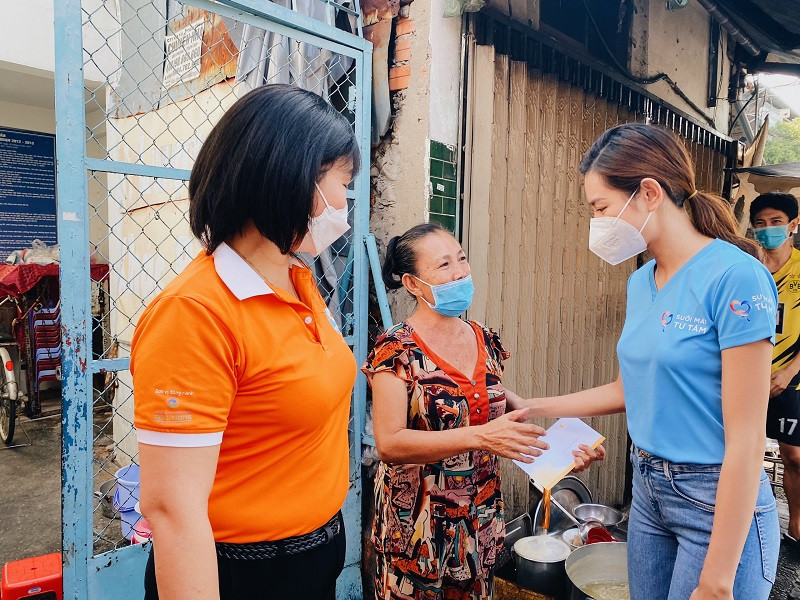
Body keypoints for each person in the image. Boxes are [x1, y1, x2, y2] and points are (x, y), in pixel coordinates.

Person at [507, 123, 780, 599]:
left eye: (601, 208)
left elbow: (747, 439)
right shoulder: (642, 282)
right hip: (650, 488)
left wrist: (716, 582)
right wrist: (534, 405)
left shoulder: (737, 278)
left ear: (649, 193)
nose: (597, 223)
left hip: (715, 496)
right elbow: (627, 388)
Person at [131, 84, 359, 600]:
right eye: (342, 183)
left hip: (315, 556)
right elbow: (172, 510)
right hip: (242, 573)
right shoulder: (194, 314)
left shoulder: (297, 280)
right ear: (290, 177)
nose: (345, 204)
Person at [363, 223, 604, 600]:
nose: (460, 272)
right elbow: (390, 443)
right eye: (443, 266)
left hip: (480, 524)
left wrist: (564, 455)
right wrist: (480, 437)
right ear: (412, 284)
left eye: (461, 258)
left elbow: (508, 422)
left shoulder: (485, 340)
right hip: (417, 532)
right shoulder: (395, 350)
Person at [750, 192, 800, 549]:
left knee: (794, 456)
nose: (768, 230)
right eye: (761, 224)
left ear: (794, 225)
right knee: (742, 451)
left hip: (791, 381)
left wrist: (788, 373)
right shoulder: (745, 268)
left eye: (776, 222)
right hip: (745, 379)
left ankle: (796, 526)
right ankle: (746, 522)